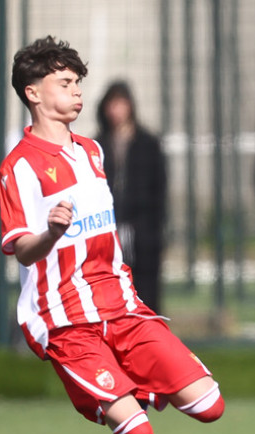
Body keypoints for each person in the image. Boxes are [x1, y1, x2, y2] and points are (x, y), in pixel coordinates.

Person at [0, 36, 225, 434]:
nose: (77, 91)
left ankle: (132, 386)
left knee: (209, 405)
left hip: (123, 309)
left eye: (78, 82)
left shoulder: (93, 151)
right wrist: (51, 234)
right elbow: (22, 249)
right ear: (33, 92)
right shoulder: (19, 166)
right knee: (136, 430)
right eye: (65, 82)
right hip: (66, 321)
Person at [95, 81, 168, 314]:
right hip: (109, 228)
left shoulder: (148, 144)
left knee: (145, 291)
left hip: (142, 231)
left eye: (120, 104)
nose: (116, 110)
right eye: (112, 104)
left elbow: (158, 190)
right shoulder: (97, 145)